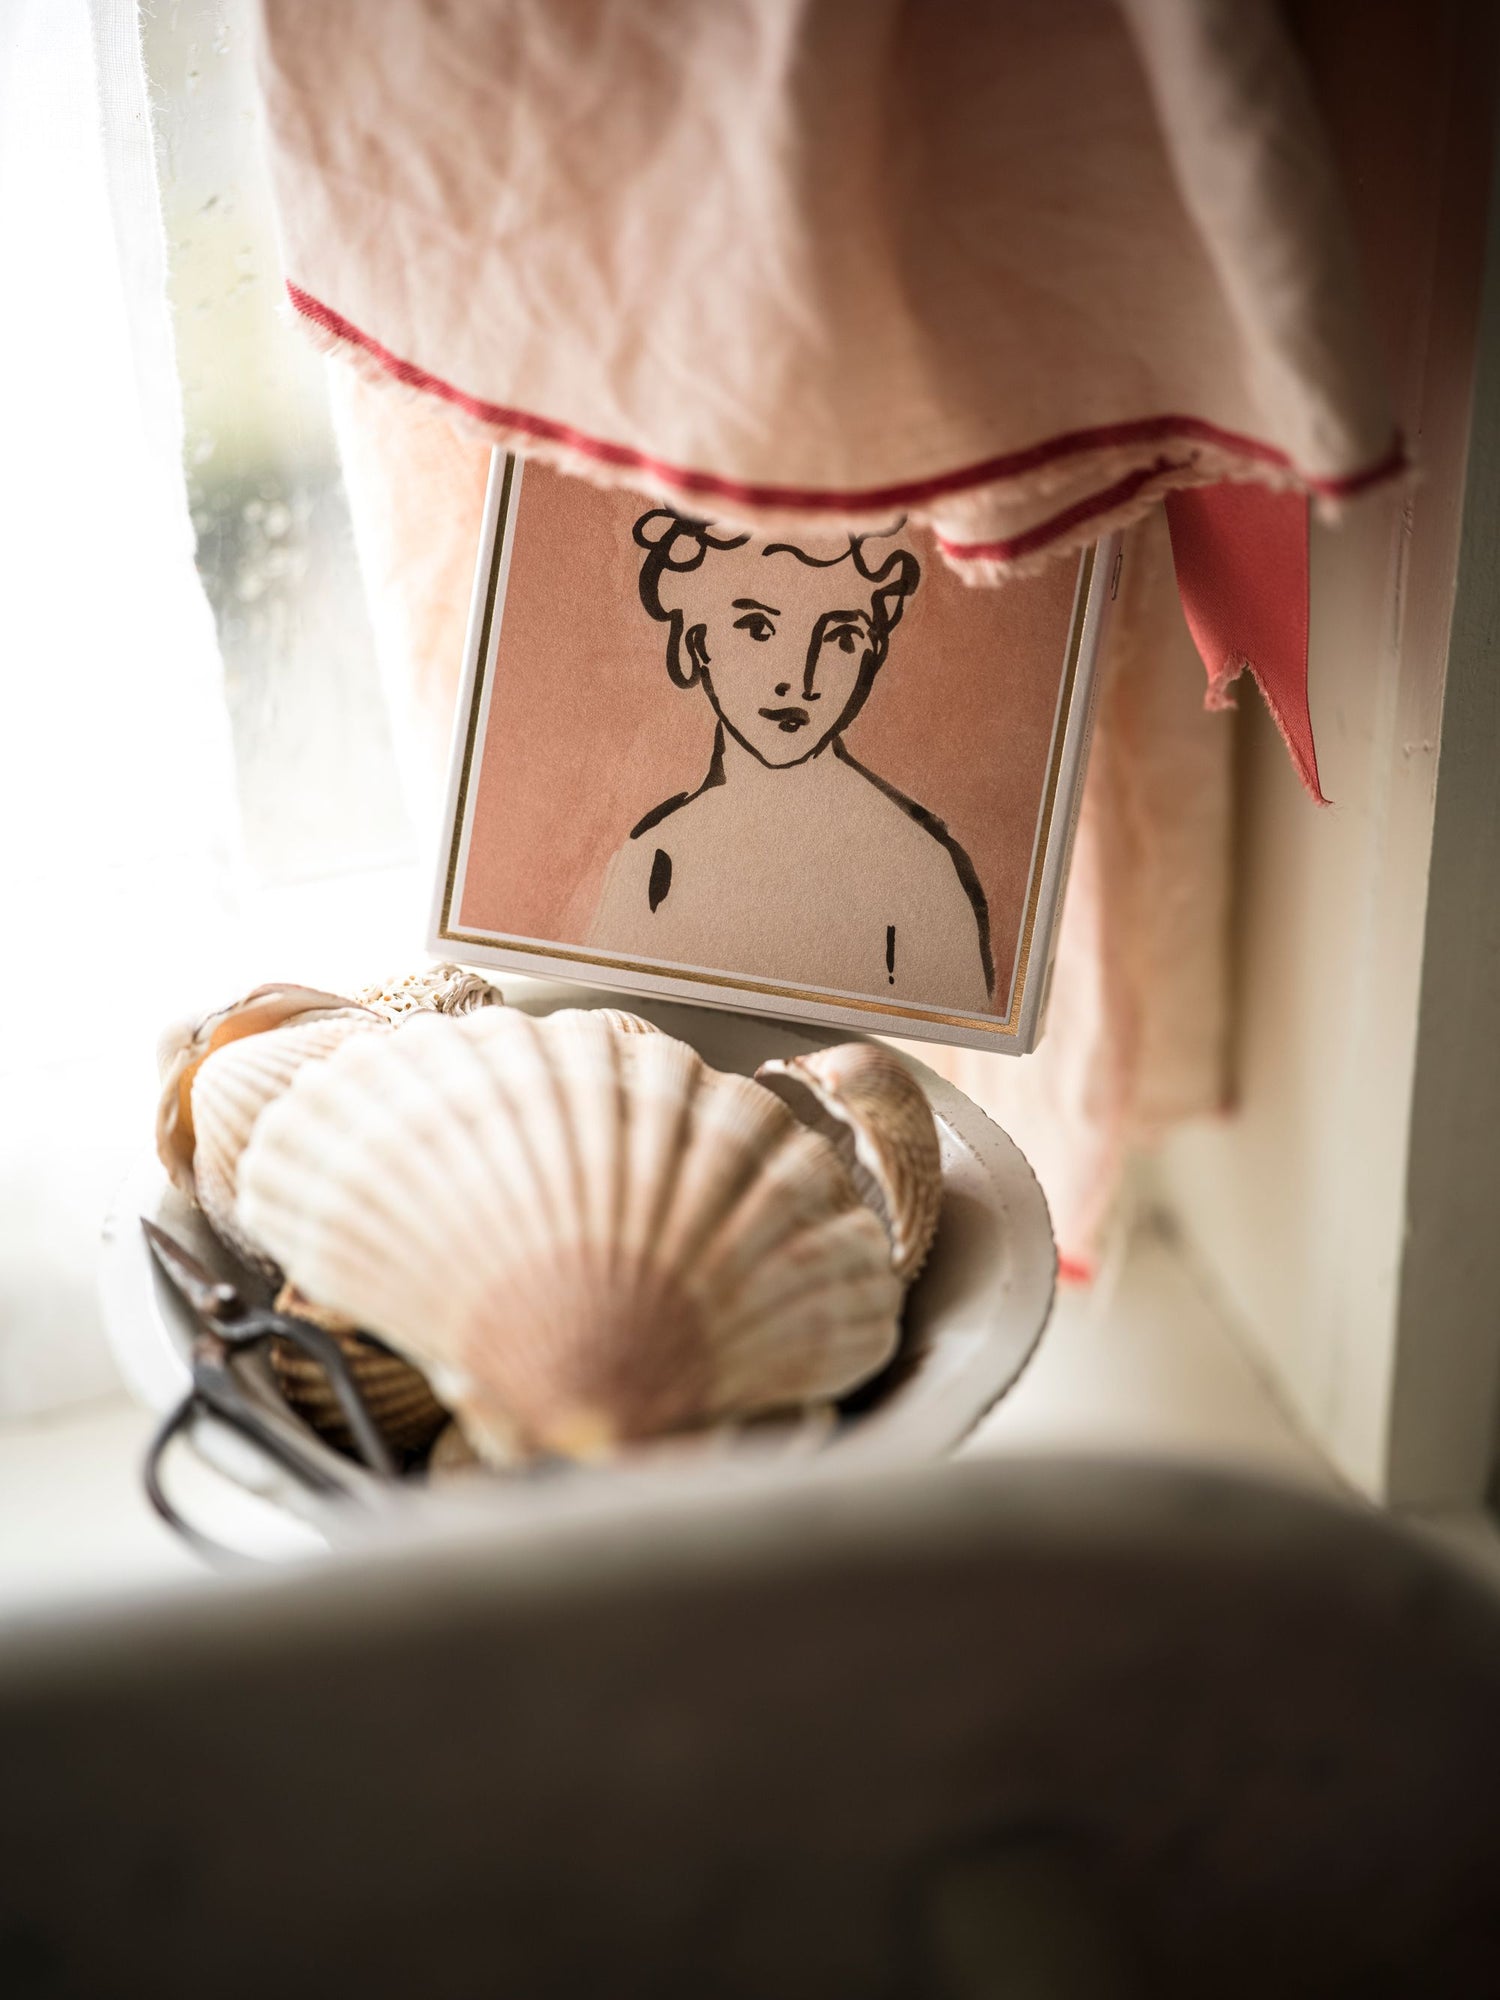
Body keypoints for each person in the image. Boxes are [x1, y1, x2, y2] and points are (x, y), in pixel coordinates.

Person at [587, 510, 993, 1012]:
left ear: (871, 655)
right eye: (758, 628)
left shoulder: (917, 869)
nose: (800, 679)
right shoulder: (654, 860)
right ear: (696, 643)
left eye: (841, 637)